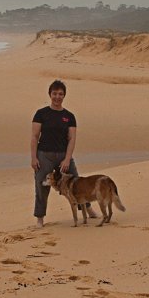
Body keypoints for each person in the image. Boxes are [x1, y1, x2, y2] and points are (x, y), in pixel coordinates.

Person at [31, 79, 97, 227]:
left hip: (63, 155)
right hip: (44, 155)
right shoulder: (41, 114)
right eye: (54, 93)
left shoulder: (69, 116)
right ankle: (40, 217)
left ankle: (87, 208)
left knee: (78, 183)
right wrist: (34, 158)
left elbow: (72, 138)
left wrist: (67, 159)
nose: (57, 97)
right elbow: (35, 136)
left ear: (64, 96)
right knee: (41, 186)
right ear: (50, 94)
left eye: (60, 94)